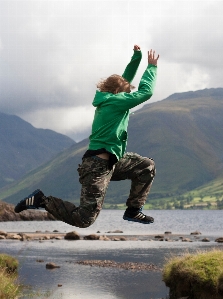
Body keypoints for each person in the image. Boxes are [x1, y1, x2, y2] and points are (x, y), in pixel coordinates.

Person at [14, 45, 159, 228]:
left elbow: (124, 81)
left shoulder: (110, 98)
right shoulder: (115, 102)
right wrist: (152, 67)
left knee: (146, 166)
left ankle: (133, 210)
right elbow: (146, 92)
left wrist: (136, 58)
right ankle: (42, 200)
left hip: (112, 162)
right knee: (85, 219)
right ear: (118, 93)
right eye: (127, 92)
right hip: (96, 167)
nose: (130, 95)